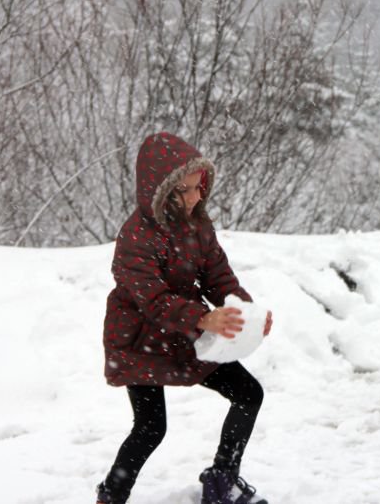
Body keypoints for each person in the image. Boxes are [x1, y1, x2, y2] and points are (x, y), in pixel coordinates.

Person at [96, 132, 273, 504]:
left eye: (198, 187)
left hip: (183, 334)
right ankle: (110, 497)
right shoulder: (136, 237)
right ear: (160, 192)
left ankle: (222, 481)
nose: (195, 197)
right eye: (184, 190)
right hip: (140, 340)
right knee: (150, 428)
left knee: (248, 394)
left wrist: (246, 315)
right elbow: (154, 301)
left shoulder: (197, 225)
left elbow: (218, 276)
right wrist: (204, 319)